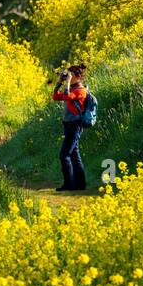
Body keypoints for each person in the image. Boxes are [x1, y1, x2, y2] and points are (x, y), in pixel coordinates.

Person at [52, 62, 88, 191]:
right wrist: (60, 82)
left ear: (78, 77)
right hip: (68, 125)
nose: (69, 78)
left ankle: (69, 184)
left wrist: (67, 83)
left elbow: (67, 96)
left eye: (71, 76)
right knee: (74, 155)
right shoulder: (72, 89)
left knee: (64, 155)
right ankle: (80, 184)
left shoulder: (81, 91)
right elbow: (56, 97)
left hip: (75, 126)